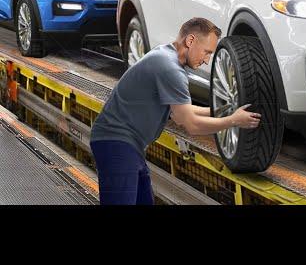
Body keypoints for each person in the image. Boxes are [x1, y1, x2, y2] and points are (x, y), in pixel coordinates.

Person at [89, 17, 260, 205]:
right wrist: (234, 121)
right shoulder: (170, 68)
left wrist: (220, 112)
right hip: (116, 142)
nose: (206, 60)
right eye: (207, 52)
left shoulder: (165, 56)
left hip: (128, 145)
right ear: (190, 41)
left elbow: (182, 110)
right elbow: (191, 124)